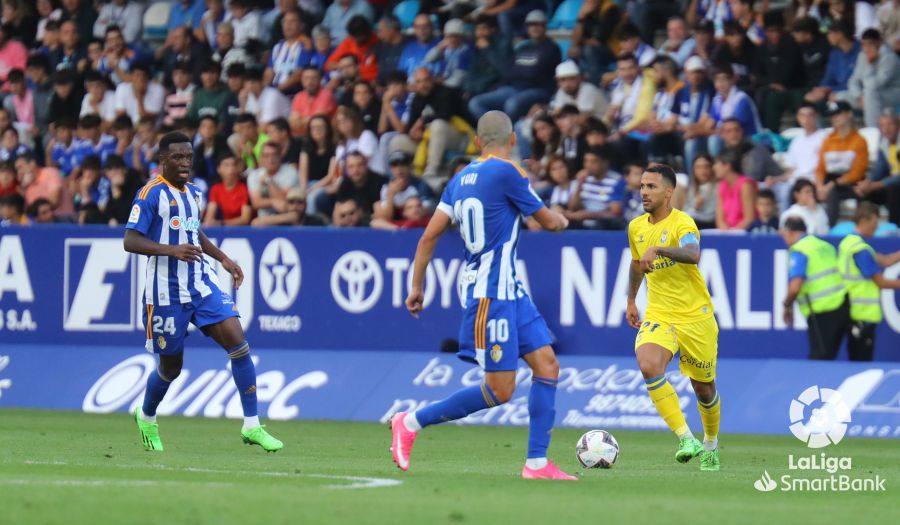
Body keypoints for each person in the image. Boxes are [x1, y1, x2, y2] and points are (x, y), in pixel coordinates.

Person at [391, 110, 575, 481]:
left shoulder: (459, 179)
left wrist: (417, 286)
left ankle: (537, 464)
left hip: (507, 287)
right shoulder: (508, 172)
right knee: (500, 390)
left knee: (547, 366)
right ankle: (410, 421)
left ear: (477, 142)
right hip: (490, 293)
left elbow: (429, 236)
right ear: (511, 141)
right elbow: (551, 224)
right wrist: (564, 218)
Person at [124, 132, 283, 452]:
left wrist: (223, 258)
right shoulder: (149, 194)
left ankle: (252, 425)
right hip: (165, 293)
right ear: (163, 161)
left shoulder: (194, 192)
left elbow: (194, 231)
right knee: (171, 367)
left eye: (189, 157)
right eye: (178, 158)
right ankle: (147, 415)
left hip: (201, 283)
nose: (185, 163)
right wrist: (171, 250)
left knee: (238, 343)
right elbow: (130, 240)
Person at [625, 163, 721, 472]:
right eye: (642, 186)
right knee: (648, 363)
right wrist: (630, 299)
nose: (644, 192)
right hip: (660, 312)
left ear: (669, 192)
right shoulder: (636, 227)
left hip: (696, 316)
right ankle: (685, 438)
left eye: (651, 187)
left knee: (703, 388)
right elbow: (638, 263)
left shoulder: (684, 224)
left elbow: (693, 255)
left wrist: (660, 248)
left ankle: (710, 444)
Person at [467, 10, 561, 122]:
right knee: (476, 103)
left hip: (537, 89)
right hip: (513, 88)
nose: (534, 28)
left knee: (512, 104)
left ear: (545, 26)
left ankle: (504, 134)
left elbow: (534, 73)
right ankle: (497, 131)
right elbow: (508, 71)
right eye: (531, 24)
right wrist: (520, 73)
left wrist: (519, 72)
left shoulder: (552, 48)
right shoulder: (522, 48)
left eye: (538, 24)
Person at [780, 216, 850, 360]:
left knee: (819, 359)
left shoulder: (799, 250)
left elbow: (795, 287)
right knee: (831, 356)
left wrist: (787, 305)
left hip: (822, 311)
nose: (784, 240)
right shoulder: (824, 245)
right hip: (843, 305)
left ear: (790, 232)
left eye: (784, 235)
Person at [837, 202, 900, 360]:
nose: (877, 227)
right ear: (865, 220)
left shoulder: (850, 243)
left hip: (853, 312)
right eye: (875, 222)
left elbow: (885, 260)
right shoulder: (861, 250)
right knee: (861, 360)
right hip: (862, 314)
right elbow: (881, 282)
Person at [816, 100, 868, 225]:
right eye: (832, 115)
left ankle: (828, 228)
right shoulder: (828, 140)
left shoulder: (859, 141)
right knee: (802, 189)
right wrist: (819, 187)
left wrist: (831, 185)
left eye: (838, 114)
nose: (834, 118)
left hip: (849, 184)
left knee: (834, 192)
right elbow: (820, 169)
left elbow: (857, 173)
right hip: (829, 181)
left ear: (849, 114)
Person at [840, 28, 900, 127]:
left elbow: (874, 85)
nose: (867, 47)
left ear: (879, 42)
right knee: (840, 96)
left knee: (870, 95)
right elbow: (853, 81)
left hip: (893, 92)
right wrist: (859, 96)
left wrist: (870, 65)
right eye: (863, 44)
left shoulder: (889, 58)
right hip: (868, 94)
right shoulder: (862, 56)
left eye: (870, 43)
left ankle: (872, 130)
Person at [566, 146, 626, 230]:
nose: (588, 165)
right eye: (586, 161)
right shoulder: (583, 179)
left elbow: (616, 213)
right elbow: (572, 207)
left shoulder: (617, 181)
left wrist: (590, 215)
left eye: (593, 161)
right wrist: (579, 184)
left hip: (604, 226)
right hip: (582, 223)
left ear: (605, 163)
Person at [247, 141, 299, 216]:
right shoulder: (254, 175)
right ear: (261, 158)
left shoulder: (291, 172)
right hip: (265, 219)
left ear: (280, 156)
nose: (270, 159)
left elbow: (284, 201)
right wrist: (273, 202)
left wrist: (269, 181)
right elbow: (256, 203)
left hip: (288, 216)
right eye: (266, 156)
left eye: (274, 155)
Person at [203, 153, 252, 226]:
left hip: (244, 229)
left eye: (234, 165)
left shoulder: (245, 187)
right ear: (219, 169)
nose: (231, 168)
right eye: (226, 165)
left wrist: (220, 223)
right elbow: (210, 214)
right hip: (226, 229)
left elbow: (245, 219)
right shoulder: (216, 188)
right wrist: (209, 222)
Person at [714, 150, 756, 231]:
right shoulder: (722, 186)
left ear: (727, 166)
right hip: (727, 232)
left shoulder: (745, 185)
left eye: (717, 163)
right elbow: (719, 218)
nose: (714, 167)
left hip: (744, 232)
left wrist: (733, 233)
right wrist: (725, 230)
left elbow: (749, 218)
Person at [251, 186, 324, 226]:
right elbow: (255, 224)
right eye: (291, 202)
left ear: (305, 204)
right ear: (286, 204)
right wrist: (286, 218)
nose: (295, 206)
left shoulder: (315, 221)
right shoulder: (280, 220)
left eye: (300, 202)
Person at [683, 154, 717, 229]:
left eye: (706, 167)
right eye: (698, 167)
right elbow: (685, 210)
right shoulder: (692, 188)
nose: (703, 171)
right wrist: (695, 207)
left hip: (709, 224)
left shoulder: (718, 187)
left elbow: (712, 216)